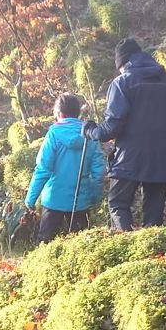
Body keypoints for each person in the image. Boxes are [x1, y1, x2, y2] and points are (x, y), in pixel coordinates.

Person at [94, 38, 166, 230]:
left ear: (123, 63)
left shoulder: (122, 82)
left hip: (129, 157)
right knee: (154, 217)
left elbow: (113, 127)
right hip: (161, 157)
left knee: (118, 204)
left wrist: (92, 131)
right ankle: (153, 254)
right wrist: (163, 139)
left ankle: (129, 246)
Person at [25, 93, 107, 242]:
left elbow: (43, 168)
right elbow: (98, 171)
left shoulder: (54, 134)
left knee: (45, 244)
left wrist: (30, 199)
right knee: (81, 246)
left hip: (53, 200)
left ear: (58, 113)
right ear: (78, 113)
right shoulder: (89, 135)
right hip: (80, 201)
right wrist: (94, 197)